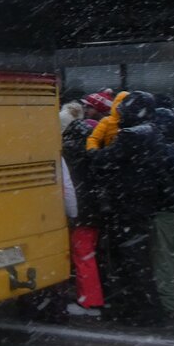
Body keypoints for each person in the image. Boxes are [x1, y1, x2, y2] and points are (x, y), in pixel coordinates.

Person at [89, 91, 173, 325]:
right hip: (143, 203)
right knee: (140, 259)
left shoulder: (130, 135)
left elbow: (106, 160)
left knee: (129, 260)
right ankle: (146, 309)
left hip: (126, 204)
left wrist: (94, 152)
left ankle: (139, 311)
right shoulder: (154, 132)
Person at [61, 100, 104, 316]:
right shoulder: (92, 141)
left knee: (83, 255)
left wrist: (73, 212)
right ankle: (93, 298)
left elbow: (69, 186)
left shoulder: (69, 149)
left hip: (83, 210)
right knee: (90, 255)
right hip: (96, 207)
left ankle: (90, 302)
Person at [151, 105, 174, 319]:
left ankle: (169, 304)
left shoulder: (161, 148)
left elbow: (159, 180)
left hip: (167, 211)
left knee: (164, 258)